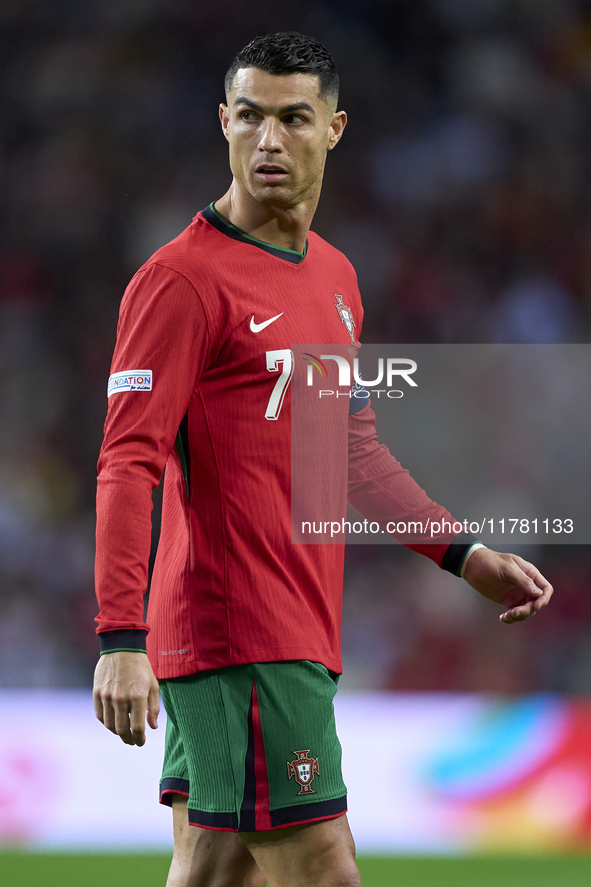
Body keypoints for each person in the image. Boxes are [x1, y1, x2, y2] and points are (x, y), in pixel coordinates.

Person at [92, 32, 553, 887]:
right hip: (239, 628)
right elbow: (128, 458)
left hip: (294, 622)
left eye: (293, 118)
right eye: (251, 117)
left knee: (217, 869)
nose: (269, 140)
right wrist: (120, 634)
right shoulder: (181, 280)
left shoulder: (335, 277)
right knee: (323, 869)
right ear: (222, 123)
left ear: (332, 128)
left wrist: (463, 553)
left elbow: (348, 450)